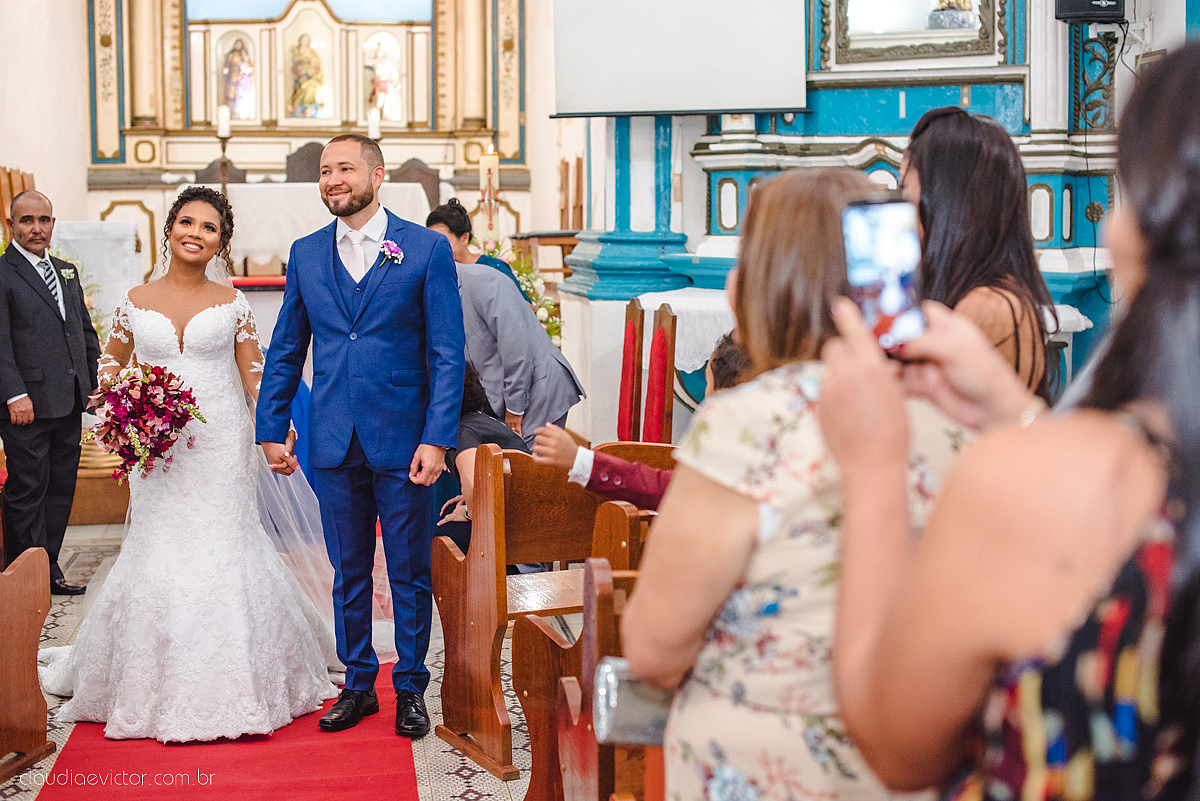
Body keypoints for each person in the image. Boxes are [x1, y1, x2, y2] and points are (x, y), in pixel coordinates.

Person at [815, 44, 1200, 799]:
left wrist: (871, 465)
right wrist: (1017, 413)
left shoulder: (1032, 488)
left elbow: (894, 740)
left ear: (1148, 222)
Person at [618, 168, 965, 800]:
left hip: (772, 769)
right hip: (917, 765)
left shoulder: (752, 421)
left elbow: (654, 648)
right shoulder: (956, 414)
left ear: (768, 279)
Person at [38, 186, 340, 742]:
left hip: (220, 442)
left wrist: (275, 432)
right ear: (169, 228)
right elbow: (110, 365)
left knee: (225, 544)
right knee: (157, 546)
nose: (195, 234)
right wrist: (122, 406)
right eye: (187, 222)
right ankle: (145, 678)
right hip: (157, 452)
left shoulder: (233, 306)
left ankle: (244, 677)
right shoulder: (135, 298)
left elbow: (255, 376)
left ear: (222, 243)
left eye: (209, 227)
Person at [257, 133, 465, 738]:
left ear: (378, 175)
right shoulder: (306, 253)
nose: (333, 180)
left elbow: (447, 355)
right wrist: (273, 426)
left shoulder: (424, 250)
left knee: (407, 570)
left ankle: (409, 689)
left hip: (405, 440)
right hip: (331, 438)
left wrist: (438, 438)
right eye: (325, 171)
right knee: (346, 570)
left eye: (345, 168)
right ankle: (357, 683)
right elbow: (288, 347)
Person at [902, 106, 1057, 400]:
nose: (900, 209)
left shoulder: (988, 308)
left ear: (946, 201)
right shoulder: (981, 296)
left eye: (904, 189)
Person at [0, 190, 101, 595]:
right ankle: (22, 574)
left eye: (44, 220)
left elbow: (83, 333)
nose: (36, 228)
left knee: (61, 487)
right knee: (28, 488)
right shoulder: (4, 273)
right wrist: (13, 395)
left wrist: (94, 386)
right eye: (27, 220)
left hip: (68, 399)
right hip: (26, 405)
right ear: (11, 226)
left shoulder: (66, 271)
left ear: (53, 224)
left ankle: (49, 567)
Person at [530, 333, 751, 511]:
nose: (706, 399)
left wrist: (579, 459)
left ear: (724, 394)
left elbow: (662, 488)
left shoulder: (732, 449)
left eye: (707, 385)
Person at [456, 247, 584, 449]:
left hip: (537, 387)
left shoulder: (485, 281)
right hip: (508, 390)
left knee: (530, 468)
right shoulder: (447, 288)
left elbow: (516, 349)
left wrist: (515, 408)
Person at [426, 198, 530, 300]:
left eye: (443, 243)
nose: (436, 249)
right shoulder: (434, 270)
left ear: (464, 238)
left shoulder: (493, 267)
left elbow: (525, 306)